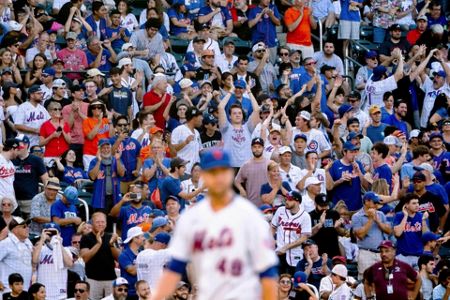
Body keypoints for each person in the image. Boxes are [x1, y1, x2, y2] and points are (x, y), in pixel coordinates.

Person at [151, 149, 279, 299]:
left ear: (231, 175)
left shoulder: (249, 215)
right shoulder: (190, 219)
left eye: (223, 171)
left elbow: (267, 269)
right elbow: (175, 268)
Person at [352, 192, 392, 279]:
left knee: (383, 280)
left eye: (377, 203)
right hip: (366, 253)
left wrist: (377, 220)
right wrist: (370, 219)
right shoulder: (357, 216)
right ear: (366, 202)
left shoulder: (380, 214)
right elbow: (360, 235)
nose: (376, 205)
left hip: (381, 254)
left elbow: (389, 231)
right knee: (366, 280)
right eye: (374, 202)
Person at [80, 212, 120, 299]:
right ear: (92, 223)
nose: (100, 224)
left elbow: (119, 259)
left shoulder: (111, 237)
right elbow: (85, 258)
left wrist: (111, 245)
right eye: (97, 222)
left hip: (110, 279)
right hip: (93, 280)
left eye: (102, 222)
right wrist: (98, 243)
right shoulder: (86, 238)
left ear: (106, 223)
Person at [272, 190, 311, 274]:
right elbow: (273, 227)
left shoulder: (305, 216)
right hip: (279, 253)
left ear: (297, 201)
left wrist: (286, 247)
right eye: (286, 199)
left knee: (294, 280)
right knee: (279, 280)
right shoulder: (280, 211)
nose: (286, 201)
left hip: (295, 254)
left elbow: (303, 238)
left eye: (289, 200)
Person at [32, 223, 74, 300]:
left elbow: (70, 264)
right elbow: (34, 261)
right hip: (43, 294)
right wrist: (42, 240)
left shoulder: (65, 250)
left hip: (60, 293)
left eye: (54, 232)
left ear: (60, 234)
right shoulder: (40, 249)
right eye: (49, 232)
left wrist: (59, 244)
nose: (51, 235)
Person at [326, 141, 369, 211]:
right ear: (344, 152)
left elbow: (366, 186)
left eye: (355, 152)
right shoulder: (335, 165)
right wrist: (341, 180)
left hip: (356, 207)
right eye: (351, 152)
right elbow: (329, 187)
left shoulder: (358, 164)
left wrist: (359, 172)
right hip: (339, 208)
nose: (354, 154)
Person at [88, 138, 126, 213]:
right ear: (99, 149)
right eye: (103, 148)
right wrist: (99, 161)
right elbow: (92, 177)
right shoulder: (94, 161)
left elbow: (122, 173)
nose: (106, 150)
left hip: (115, 197)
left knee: (115, 221)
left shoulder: (116, 159)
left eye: (108, 147)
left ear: (111, 148)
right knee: (101, 221)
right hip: (100, 199)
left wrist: (118, 160)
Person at [393, 193, 429, 268]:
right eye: (414, 203)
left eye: (418, 203)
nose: (417, 205)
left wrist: (423, 221)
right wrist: (405, 216)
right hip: (402, 256)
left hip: (418, 255)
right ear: (406, 205)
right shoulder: (399, 215)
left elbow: (426, 237)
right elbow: (398, 234)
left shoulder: (422, 216)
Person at [234, 137, 270, 207]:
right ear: (251, 148)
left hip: (267, 204)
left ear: (263, 148)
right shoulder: (246, 165)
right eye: (255, 147)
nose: (257, 149)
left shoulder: (270, 164)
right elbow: (236, 181)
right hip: (251, 204)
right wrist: (242, 190)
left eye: (259, 147)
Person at [0, 217, 33, 292]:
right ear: (14, 229)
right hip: (8, 290)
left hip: (24, 290)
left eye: (28, 226)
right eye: (24, 227)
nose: (27, 228)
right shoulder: (6, 243)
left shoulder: (28, 243)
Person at [170, 107, 203, 175]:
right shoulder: (179, 130)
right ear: (194, 118)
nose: (202, 119)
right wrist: (185, 142)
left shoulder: (197, 132)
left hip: (195, 171)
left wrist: (215, 148)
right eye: (200, 117)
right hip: (183, 171)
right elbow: (172, 150)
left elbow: (200, 151)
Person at [309, 193, 342, 258]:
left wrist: (337, 228)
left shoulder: (334, 214)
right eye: (321, 206)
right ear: (315, 204)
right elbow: (308, 234)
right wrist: (320, 224)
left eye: (326, 205)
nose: (324, 208)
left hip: (333, 250)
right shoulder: (310, 216)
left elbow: (342, 233)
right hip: (317, 251)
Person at [119, 227, 145, 299]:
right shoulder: (124, 255)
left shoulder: (142, 253)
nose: (144, 238)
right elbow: (133, 271)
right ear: (134, 238)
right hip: (129, 293)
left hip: (142, 291)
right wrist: (145, 263)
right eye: (142, 236)